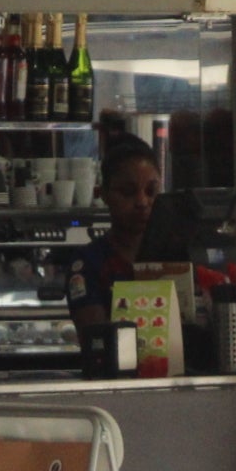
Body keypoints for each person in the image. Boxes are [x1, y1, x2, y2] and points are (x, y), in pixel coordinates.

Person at [66, 137, 161, 329]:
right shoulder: (88, 263)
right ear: (104, 195)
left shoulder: (175, 255)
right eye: (128, 192)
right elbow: (97, 340)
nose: (142, 202)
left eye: (151, 191)